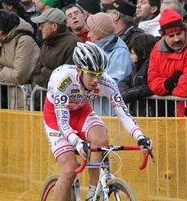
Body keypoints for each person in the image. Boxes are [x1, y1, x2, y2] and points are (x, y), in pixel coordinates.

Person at [43, 41, 153, 201]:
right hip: (56, 116)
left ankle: (91, 195)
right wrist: (77, 142)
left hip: (81, 111)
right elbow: (63, 123)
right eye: (91, 74)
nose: (96, 80)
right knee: (69, 171)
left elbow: (124, 114)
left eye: (99, 73)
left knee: (101, 140)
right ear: (79, 70)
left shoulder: (106, 82)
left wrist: (140, 137)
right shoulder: (63, 79)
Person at [147, 9, 187, 116]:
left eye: (179, 33)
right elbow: (152, 83)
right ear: (162, 36)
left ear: (184, 29)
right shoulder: (157, 49)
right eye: (171, 36)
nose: (176, 39)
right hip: (170, 113)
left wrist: (166, 89)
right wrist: (170, 83)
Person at [0, 9, 40, 109]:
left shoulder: (24, 41)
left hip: (30, 102)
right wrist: (10, 73)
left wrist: (4, 71)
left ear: (0, 29)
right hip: (12, 99)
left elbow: (19, 76)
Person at [86, 12, 133, 116]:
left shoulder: (120, 53)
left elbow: (115, 84)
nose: (88, 35)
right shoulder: (96, 48)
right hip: (97, 112)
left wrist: (85, 82)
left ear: (98, 32)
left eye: (90, 31)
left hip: (112, 114)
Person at [31, 8, 81, 89]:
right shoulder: (46, 43)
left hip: (62, 99)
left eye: (42, 25)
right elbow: (36, 73)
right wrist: (48, 83)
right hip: (44, 98)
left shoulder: (73, 44)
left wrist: (45, 71)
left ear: (54, 26)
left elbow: (67, 81)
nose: (40, 28)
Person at [118, 33, 160, 117]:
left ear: (143, 53)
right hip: (140, 113)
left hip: (152, 115)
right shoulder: (138, 66)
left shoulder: (151, 66)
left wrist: (129, 94)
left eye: (133, 53)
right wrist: (124, 92)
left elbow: (151, 87)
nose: (131, 57)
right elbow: (125, 81)